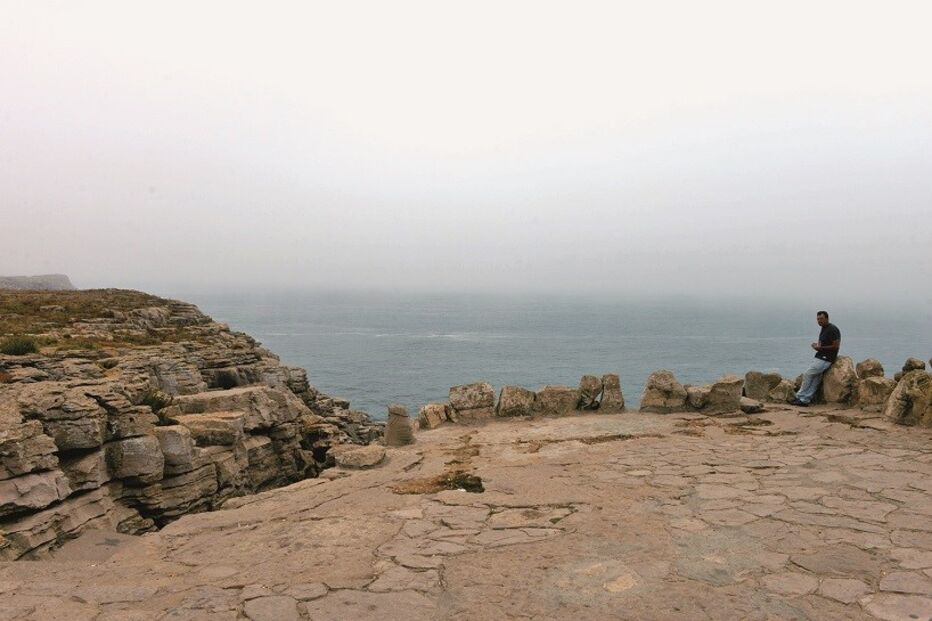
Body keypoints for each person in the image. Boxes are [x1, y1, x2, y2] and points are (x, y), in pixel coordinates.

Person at [790, 310, 841, 406]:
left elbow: (836, 346)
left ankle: (799, 396)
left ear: (827, 318)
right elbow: (825, 343)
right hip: (821, 356)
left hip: (826, 358)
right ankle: (805, 400)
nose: (819, 321)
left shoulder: (832, 329)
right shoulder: (824, 328)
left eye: (821, 318)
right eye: (818, 319)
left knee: (808, 374)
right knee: (815, 379)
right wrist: (817, 346)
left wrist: (820, 348)